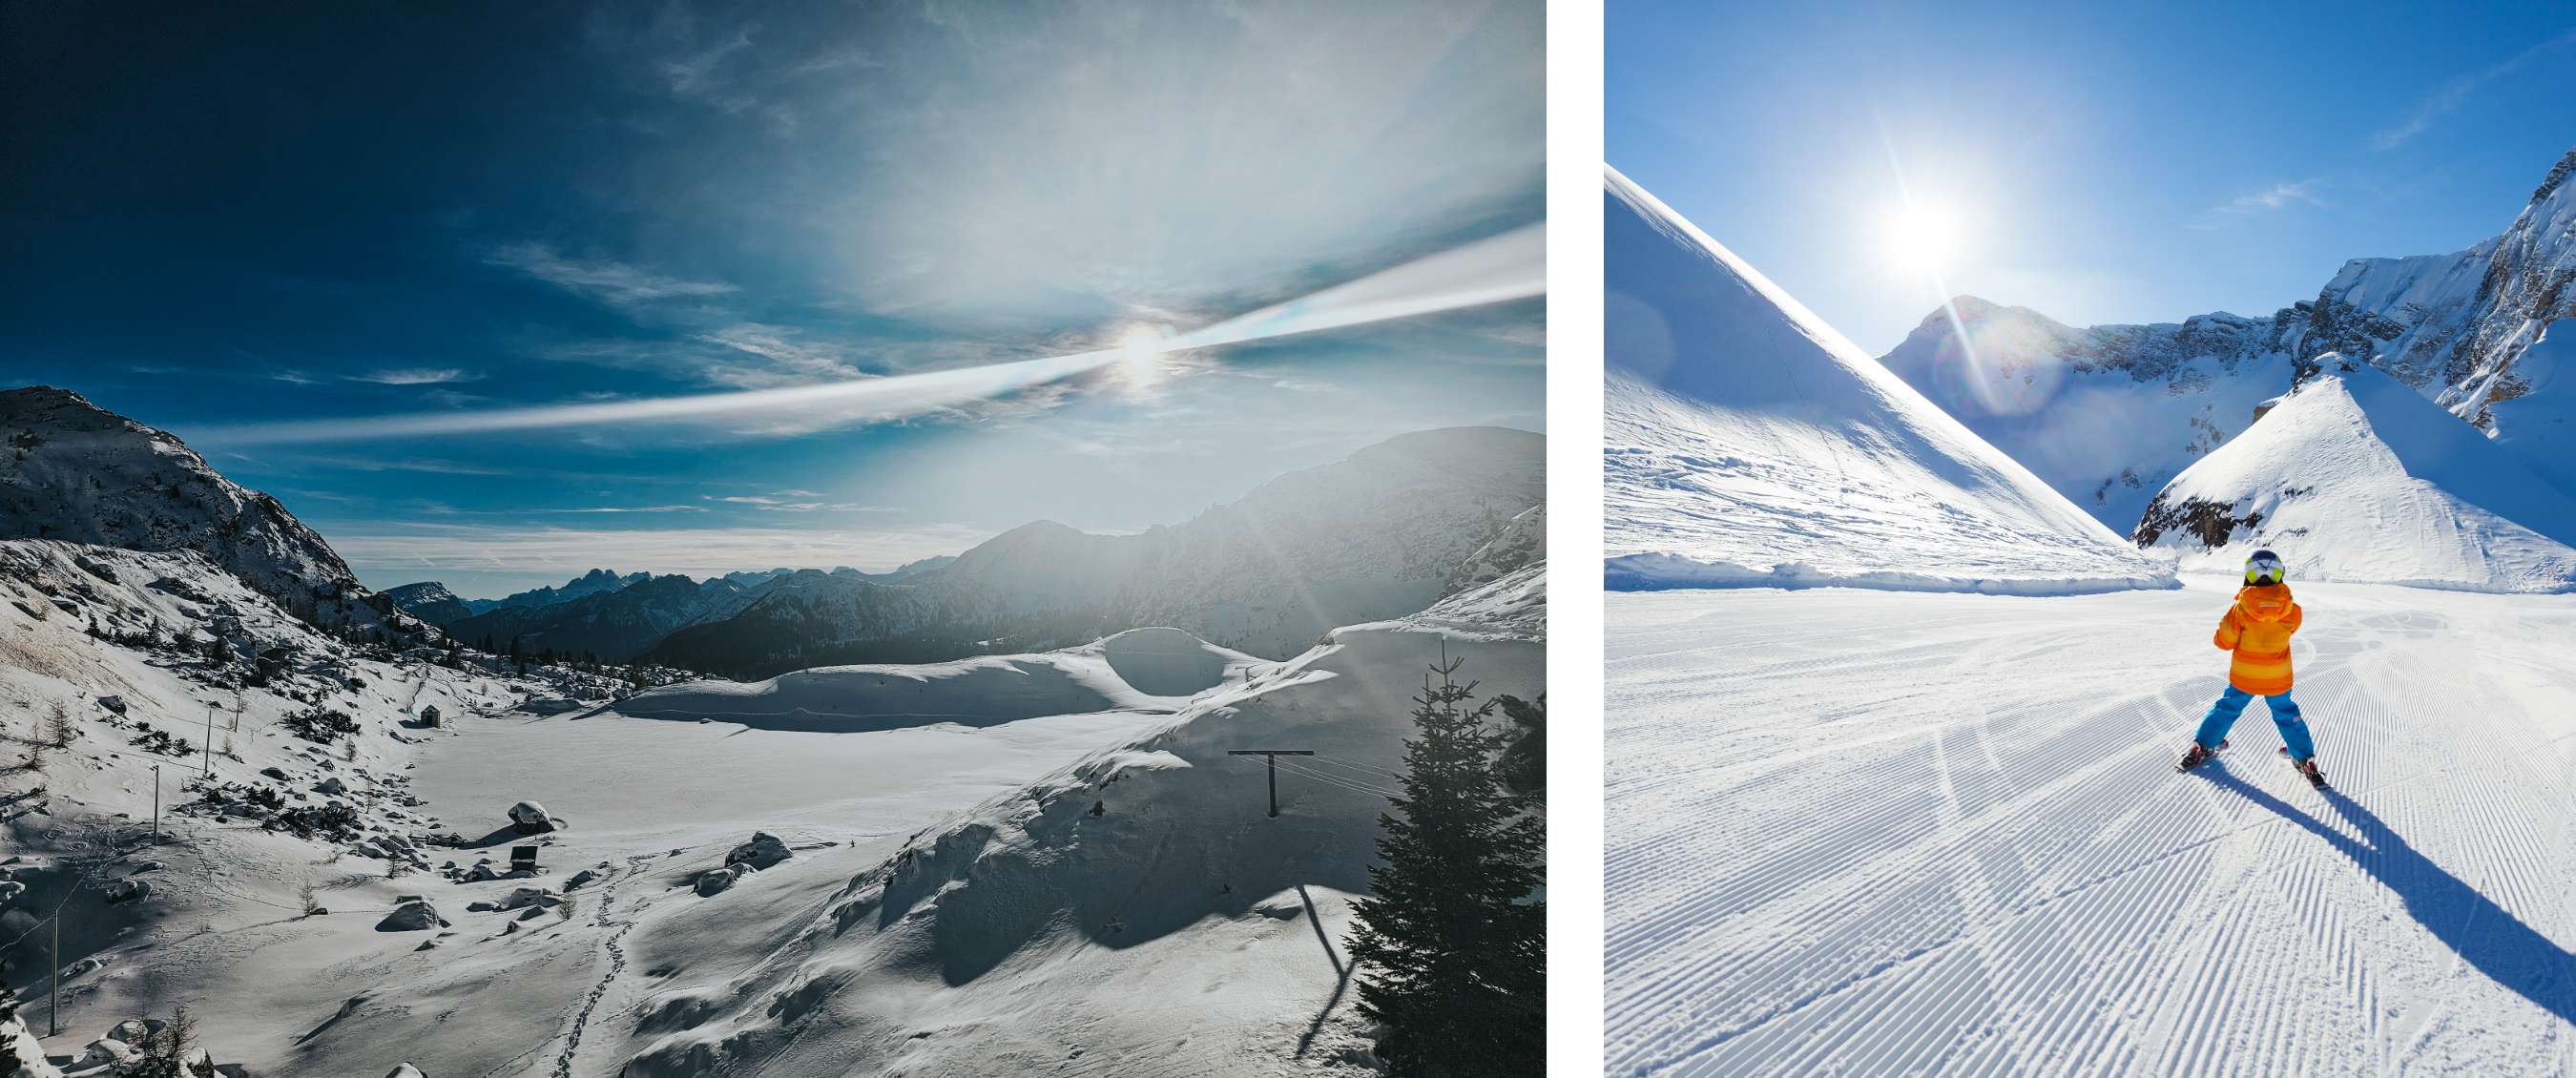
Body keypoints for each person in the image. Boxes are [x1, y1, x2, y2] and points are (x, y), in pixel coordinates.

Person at [2176, 549, 2324, 787]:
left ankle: (2203, 744)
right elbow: (2290, 630)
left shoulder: (2240, 609)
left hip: (2245, 676)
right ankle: (2304, 757)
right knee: (2286, 714)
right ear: (2279, 575)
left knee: (2227, 707)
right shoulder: (2292, 610)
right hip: (2277, 678)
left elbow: (2223, 641)